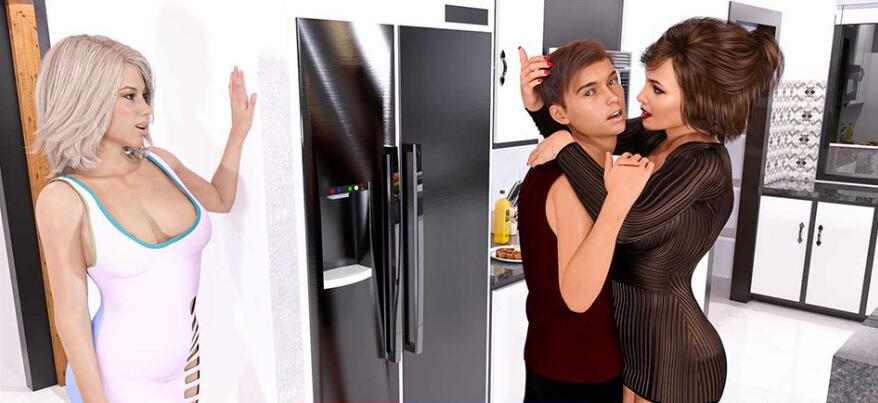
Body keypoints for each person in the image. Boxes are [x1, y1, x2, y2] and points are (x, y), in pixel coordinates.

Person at [521, 18, 783, 403]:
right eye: (646, 82)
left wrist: (562, 141)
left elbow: (628, 222)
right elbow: (588, 134)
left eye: (657, 89)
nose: (639, 96)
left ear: (699, 99)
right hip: (629, 352)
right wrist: (541, 109)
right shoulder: (653, 136)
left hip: (677, 357)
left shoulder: (704, 162)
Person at [33, 34, 256, 403]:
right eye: (129, 96)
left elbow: (220, 199)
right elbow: (71, 318)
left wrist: (238, 133)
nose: (146, 110)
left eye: (145, 95)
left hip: (187, 364)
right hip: (118, 379)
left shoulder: (162, 162)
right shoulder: (64, 199)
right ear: (86, 100)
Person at [517, 39, 653, 403]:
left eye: (612, 81)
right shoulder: (570, 185)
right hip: (579, 373)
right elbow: (578, 298)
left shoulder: (568, 165)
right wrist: (617, 204)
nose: (612, 98)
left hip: (554, 360)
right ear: (560, 114)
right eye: (589, 92)